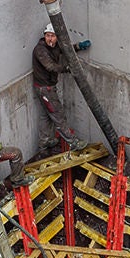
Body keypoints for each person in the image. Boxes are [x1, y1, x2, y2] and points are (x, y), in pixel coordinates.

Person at [32, 24, 87, 158]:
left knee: (47, 117)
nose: (50, 39)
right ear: (44, 36)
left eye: (52, 36)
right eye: (47, 36)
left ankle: (44, 144)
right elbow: (50, 66)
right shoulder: (40, 50)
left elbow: (65, 49)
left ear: (57, 37)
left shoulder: (55, 46)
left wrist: (78, 46)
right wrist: (67, 68)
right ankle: (73, 142)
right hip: (45, 89)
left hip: (47, 87)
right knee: (58, 114)